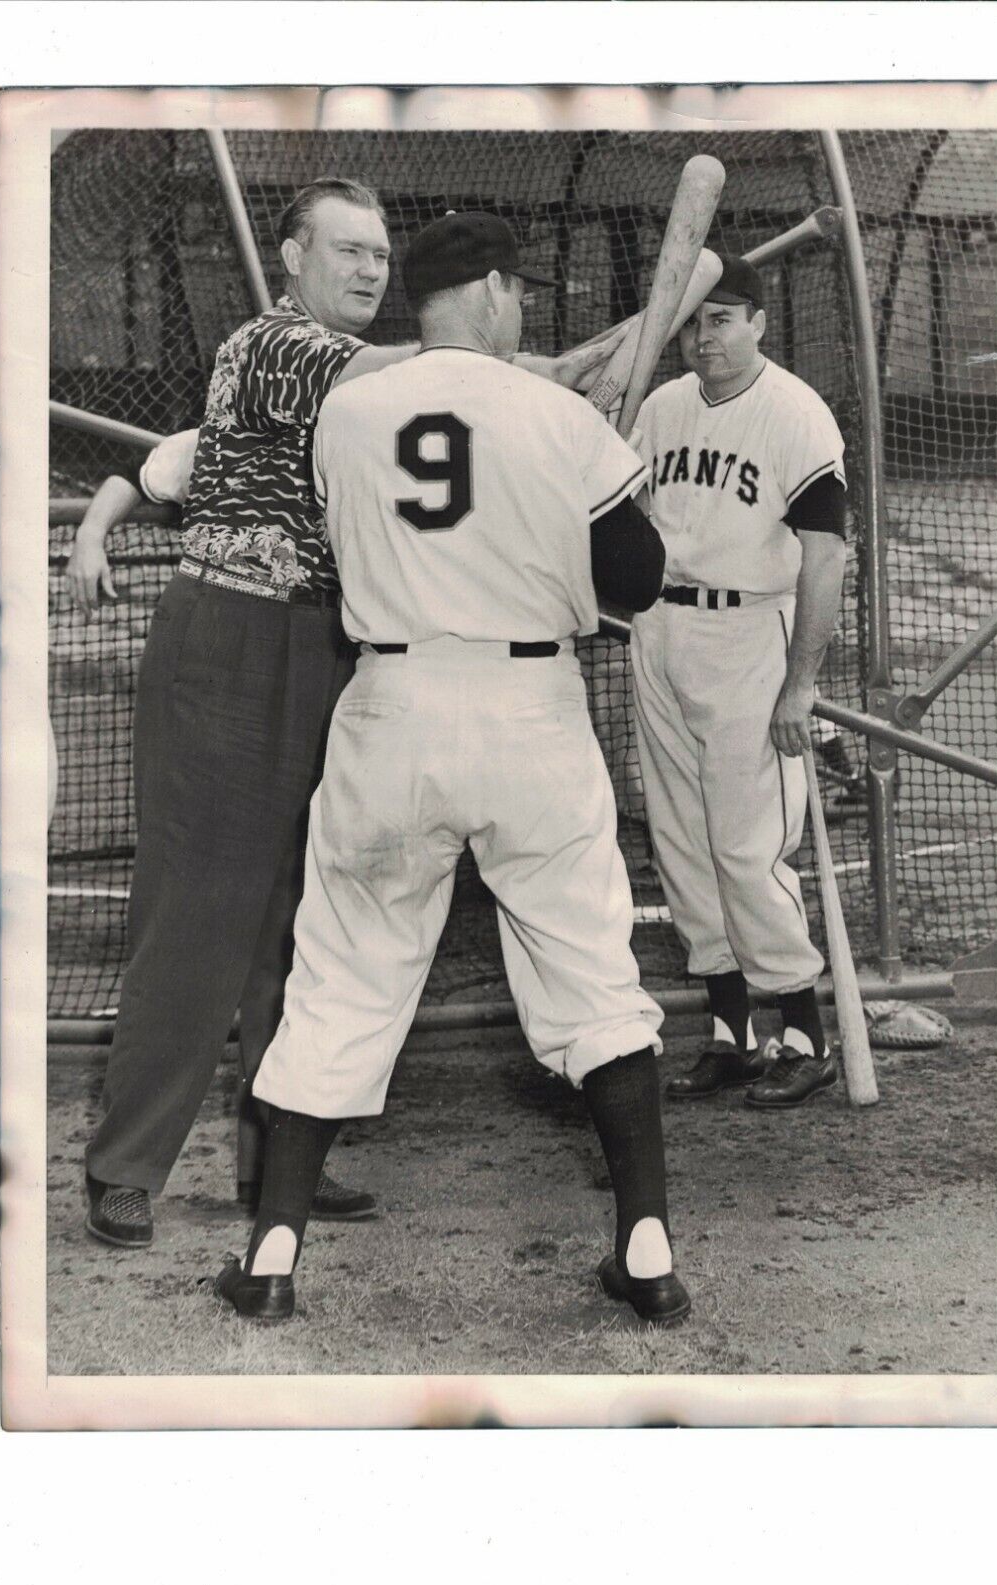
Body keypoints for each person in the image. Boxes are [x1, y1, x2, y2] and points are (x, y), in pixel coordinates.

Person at [73, 179, 622, 1248]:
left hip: (343, 645)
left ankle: (284, 1150)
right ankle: (126, 1165)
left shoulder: (354, 401)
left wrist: (552, 401)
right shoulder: (272, 348)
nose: (370, 270)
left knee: (308, 916)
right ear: (290, 257)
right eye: (347, 251)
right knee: (198, 912)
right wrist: (557, 374)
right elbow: (455, 379)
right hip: (231, 636)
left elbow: (165, 462)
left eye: (381, 254)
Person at [212, 210, 689, 1328]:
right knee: (588, 973)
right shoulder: (558, 416)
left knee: (343, 971)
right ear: (481, 292)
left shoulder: (347, 409)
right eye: (515, 289)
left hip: (391, 704)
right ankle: (647, 1245)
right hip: (530, 711)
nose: (523, 305)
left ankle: (273, 1251)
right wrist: (604, 494)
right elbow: (635, 583)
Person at [627, 254, 849, 1110]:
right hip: (662, 628)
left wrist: (802, 687)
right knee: (681, 840)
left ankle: (804, 1034)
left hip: (754, 630)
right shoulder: (663, 406)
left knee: (748, 847)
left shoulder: (795, 413)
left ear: (759, 322)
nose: (704, 337)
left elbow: (825, 556)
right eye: (692, 321)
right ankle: (731, 1037)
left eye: (721, 318)